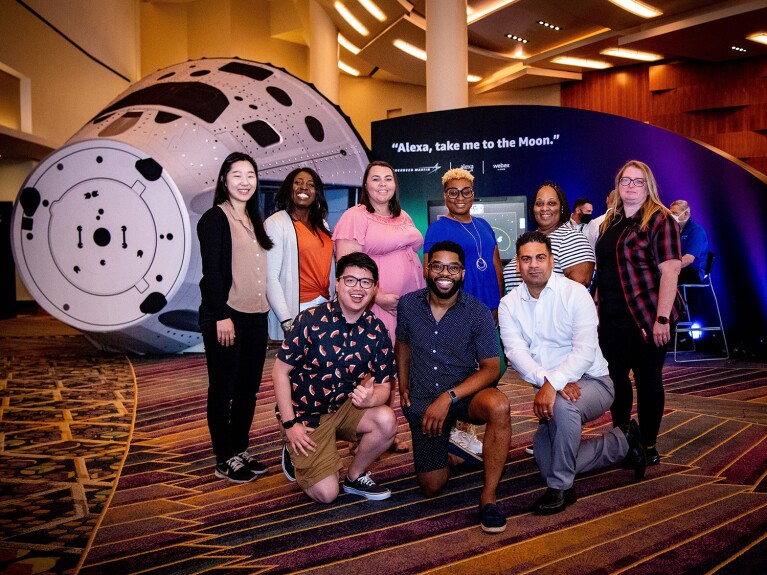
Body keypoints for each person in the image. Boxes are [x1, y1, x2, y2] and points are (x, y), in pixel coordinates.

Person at [499, 231, 647, 515]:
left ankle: (562, 488)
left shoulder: (575, 293)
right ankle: (623, 441)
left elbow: (585, 350)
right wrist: (550, 383)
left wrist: (551, 386)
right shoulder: (509, 304)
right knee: (547, 463)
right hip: (550, 389)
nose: (533, 265)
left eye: (540, 257)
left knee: (562, 408)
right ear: (517, 264)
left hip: (595, 382)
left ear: (552, 261)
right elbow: (515, 354)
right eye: (526, 259)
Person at [396, 241, 511, 534]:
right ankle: (454, 448)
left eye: (453, 267)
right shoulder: (408, 305)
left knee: (499, 405)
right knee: (432, 487)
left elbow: (492, 367)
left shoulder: (477, 311)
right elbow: (403, 343)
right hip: (423, 399)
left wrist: (448, 397)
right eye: (437, 266)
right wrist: (403, 383)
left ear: (462, 273)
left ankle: (488, 497)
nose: (444, 273)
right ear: (426, 269)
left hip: (463, 394)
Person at [272, 252, 397, 503]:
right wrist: (290, 424)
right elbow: (280, 372)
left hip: (343, 407)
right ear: (337, 284)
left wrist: (372, 398)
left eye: (365, 282)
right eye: (350, 280)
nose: (357, 288)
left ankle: (355, 476)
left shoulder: (377, 330)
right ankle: (291, 445)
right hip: (305, 415)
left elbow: (385, 387)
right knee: (327, 494)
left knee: (386, 419)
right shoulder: (309, 320)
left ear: (374, 289)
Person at [333, 160, 425, 453]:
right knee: (370, 370)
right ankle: (360, 432)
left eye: (388, 178)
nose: (383, 184)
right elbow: (347, 268)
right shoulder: (354, 217)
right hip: (376, 306)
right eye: (376, 179)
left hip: (408, 306)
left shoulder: (404, 216)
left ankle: (386, 432)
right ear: (366, 185)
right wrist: (378, 296)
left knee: (395, 371)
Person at [596, 160, 683, 466]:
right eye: (625, 181)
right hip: (612, 318)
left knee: (648, 381)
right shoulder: (611, 220)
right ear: (617, 185)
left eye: (638, 181)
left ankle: (647, 443)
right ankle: (623, 439)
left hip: (646, 316)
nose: (631, 186)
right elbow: (605, 268)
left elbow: (671, 271)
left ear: (649, 186)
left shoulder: (660, 219)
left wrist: (662, 319)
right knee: (617, 381)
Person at [197, 152, 274, 483]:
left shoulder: (256, 219)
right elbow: (211, 273)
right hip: (226, 317)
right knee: (222, 388)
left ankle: (239, 448)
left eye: (250, 175)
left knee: (248, 389)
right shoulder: (214, 219)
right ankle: (223, 457)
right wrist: (221, 315)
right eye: (237, 175)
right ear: (224, 180)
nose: (245, 182)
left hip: (256, 317)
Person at [423, 168, 504, 323]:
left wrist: (500, 303)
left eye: (466, 192)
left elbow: (497, 267)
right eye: (453, 192)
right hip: (458, 310)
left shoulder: (484, 225)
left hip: (490, 307)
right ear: (445, 196)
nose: (460, 197)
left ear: (472, 195)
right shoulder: (437, 229)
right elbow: (429, 272)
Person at [265, 167, 335, 341]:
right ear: (289, 189)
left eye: (310, 185)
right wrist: (286, 321)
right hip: (296, 308)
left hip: (324, 305)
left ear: (316, 193)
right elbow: (270, 277)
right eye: (298, 183)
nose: (304, 188)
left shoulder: (322, 225)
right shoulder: (276, 223)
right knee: (295, 367)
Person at [503, 181, 594, 292]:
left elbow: (577, 292)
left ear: (561, 207)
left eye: (551, 203)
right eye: (539, 203)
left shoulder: (572, 239)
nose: (544, 208)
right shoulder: (530, 240)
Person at [669, 200, 709, 284]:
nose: (671, 216)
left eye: (675, 213)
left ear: (686, 214)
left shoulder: (696, 231)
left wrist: (668, 268)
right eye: (670, 213)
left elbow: (689, 259)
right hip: (679, 269)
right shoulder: (674, 230)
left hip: (692, 271)